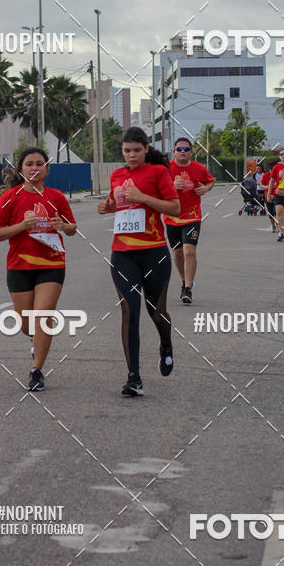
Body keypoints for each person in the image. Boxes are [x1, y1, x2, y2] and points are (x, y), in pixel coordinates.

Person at [98, 127, 180, 397]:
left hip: (154, 252)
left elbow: (174, 208)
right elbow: (119, 204)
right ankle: (134, 377)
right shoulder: (117, 175)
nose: (131, 155)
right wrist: (108, 206)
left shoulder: (158, 173)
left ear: (146, 149)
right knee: (130, 311)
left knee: (156, 312)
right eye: (126, 150)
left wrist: (142, 198)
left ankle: (166, 344)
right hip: (123, 253)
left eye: (136, 150)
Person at [0, 147, 77, 392]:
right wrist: (21, 225)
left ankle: (36, 371)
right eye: (29, 164)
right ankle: (33, 339)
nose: (34, 168)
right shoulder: (11, 198)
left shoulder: (56, 197)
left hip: (52, 264)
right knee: (27, 323)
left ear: (46, 169)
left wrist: (63, 225)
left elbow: (72, 228)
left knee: (43, 315)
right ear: (21, 168)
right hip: (19, 266)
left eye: (40, 163)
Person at [164, 137, 215, 303]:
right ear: (174, 152)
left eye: (186, 149)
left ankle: (188, 289)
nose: (183, 152)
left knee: (189, 251)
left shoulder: (199, 168)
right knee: (178, 254)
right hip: (172, 217)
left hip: (192, 216)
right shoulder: (166, 168)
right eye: (179, 149)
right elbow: (157, 189)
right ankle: (184, 281)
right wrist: (173, 186)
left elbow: (210, 181)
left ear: (191, 152)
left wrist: (205, 189)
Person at [268, 149, 284, 242]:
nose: (283, 156)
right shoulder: (276, 167)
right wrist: (269, 194)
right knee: (279, 212)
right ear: (279, 157)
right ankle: (281, 232)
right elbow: (272, 181)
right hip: (279, 192)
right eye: (281, 154)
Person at [260, 164, 277, 233]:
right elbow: (261, 185)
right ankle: (273, 225)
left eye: (274, 171)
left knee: (277, 211)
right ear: (269, 170)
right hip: (268, 196)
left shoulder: (278, 176)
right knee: (270, 212)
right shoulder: (266, 175)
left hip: (277, 195)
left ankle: (279, 226)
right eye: (271, 171)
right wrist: (267, 187)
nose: (272, 172)